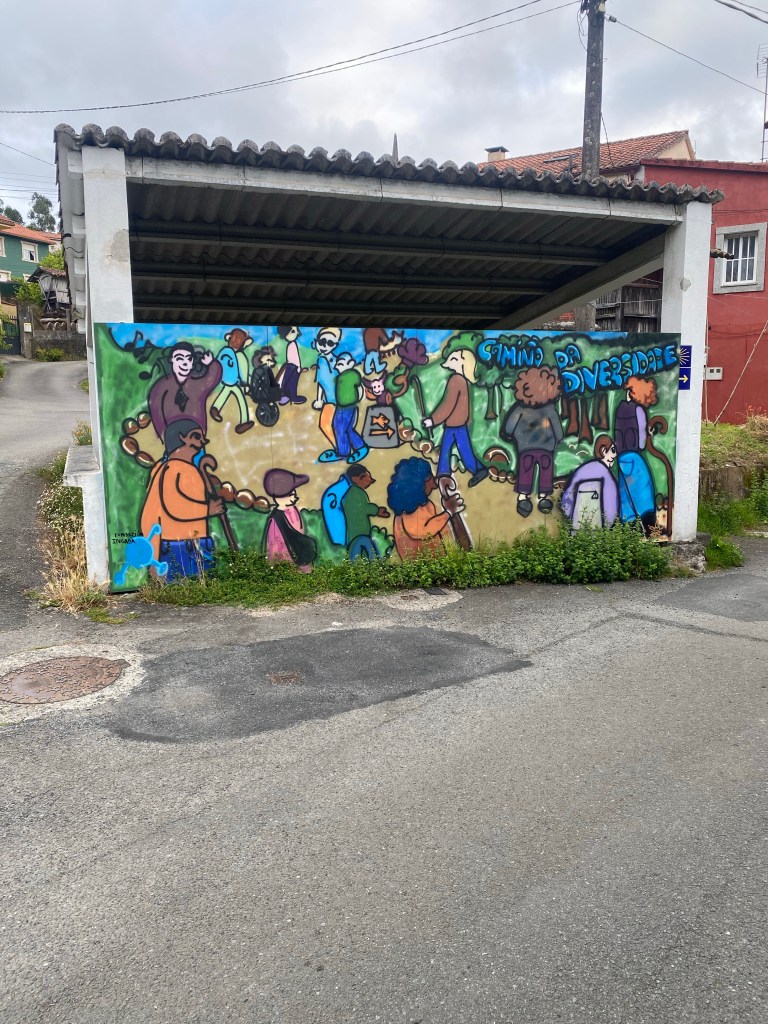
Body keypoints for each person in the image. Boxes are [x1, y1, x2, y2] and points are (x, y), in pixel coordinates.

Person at [140, 419, 224, 580]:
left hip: (190, 543)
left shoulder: (177, 468)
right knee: (185, 582)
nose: (203, 442)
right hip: (179, 546)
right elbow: (173, 507)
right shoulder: (174, 469)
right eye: (196, 436)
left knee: (195, 582)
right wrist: (208, 509)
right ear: (181, 438)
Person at [501, 365, 563, 517]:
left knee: (525, 470)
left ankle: (523, 497)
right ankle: (543, 498)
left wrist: (509, 434)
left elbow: (509, 427)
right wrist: (558, 439)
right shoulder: (550, 409)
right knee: (546, 472)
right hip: (546, 448)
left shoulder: (520, 408)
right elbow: (558, 431)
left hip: (525, 448)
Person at [423, 348, 487, 487]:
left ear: (462, 363)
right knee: (447, 449)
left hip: (456, 424)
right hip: (457, 423)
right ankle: (443, 473)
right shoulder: (462, 380)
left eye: (454, 359)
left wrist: (433, 420)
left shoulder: (456, 380)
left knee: (462, 450)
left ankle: (476, 470)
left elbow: (448, 404)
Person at [387, 456, 463, 559]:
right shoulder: (409, 510)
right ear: (424, 480)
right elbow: (422, 531)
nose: (434, 482)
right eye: (431, 476)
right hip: (419, 562)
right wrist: (448, 512)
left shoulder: (425, 504)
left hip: (433, 559)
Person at [148, 342, 222, 440]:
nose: (185, 363)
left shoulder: (197, 384)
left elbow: (211, 379)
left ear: (192, 363)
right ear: (172, 360)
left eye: (189, 359)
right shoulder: (161, 386)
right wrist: (162, 436)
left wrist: (211, 363)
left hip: (195, 436)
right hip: (171, 437)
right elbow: (156, 411)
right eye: (179, 358)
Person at [560, 435, 619, 530]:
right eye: (613, 450)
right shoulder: (606, 475)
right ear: (603, 450)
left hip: (577, 526)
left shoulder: (582, 470)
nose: (615, 455)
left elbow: (566, 500)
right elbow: (611, 508)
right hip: (598, 529)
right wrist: (607, 528)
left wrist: (570, 519)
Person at [263, 468, 317, 571]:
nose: (295, 498)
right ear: (280, 496)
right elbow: (275, 546)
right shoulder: (276, 519)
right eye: (292, 495)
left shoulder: (292, 510)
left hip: (299, 557)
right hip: (290, 563)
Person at [319, 352, 368, 464]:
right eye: (337, 364)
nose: (337, 366)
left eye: (340, 364)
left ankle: (345, 452)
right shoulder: (342, 376)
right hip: (343, 407)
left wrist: (359, 398)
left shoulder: (351, 375)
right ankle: (359, 447)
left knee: (340, 429)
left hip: (346, 407)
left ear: (350, 363)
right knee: (347, 429)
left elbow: (359, 387)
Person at [341, 464, 390, 560]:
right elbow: (363, 508)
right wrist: (377, 511)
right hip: (358, 531)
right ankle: (373, 563)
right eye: (367, 478)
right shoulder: (356, 493)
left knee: (361, 549)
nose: (369, 482)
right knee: (363, 547)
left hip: (358, 531)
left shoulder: (354, 492)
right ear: (356, 479)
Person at [210, 328, 254, 433]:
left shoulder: (224, 351)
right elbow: (243, 372)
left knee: (225, 392)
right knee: (241, 399)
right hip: (234, 382)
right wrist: (245, 384)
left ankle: (215, 408)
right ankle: (244, 421)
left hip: (225, 380)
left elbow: (216, 364)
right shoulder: (240, 355)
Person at [312, 327, 341, 446]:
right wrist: (319, 399)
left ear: (335, 345)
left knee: (334, 425)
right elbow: (321, 382)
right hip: (329, 400)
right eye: (322, 342)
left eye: (329, 343)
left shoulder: (337, 361)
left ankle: (341, 448)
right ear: (317, 342)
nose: (324, 346)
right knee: (325, 425)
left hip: (340, 400)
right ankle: (338, 448)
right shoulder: (320, 360)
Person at [276, 326, 307, 405]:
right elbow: (295, 358)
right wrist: (298, 367)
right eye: (293, 331)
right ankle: (293, 397)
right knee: (292, 383)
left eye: (296, 331)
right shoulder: (292, 344)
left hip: (290, 366)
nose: (296, 333)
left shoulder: (291, 344)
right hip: (293, 366)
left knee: (287, 382)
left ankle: (285, 397)